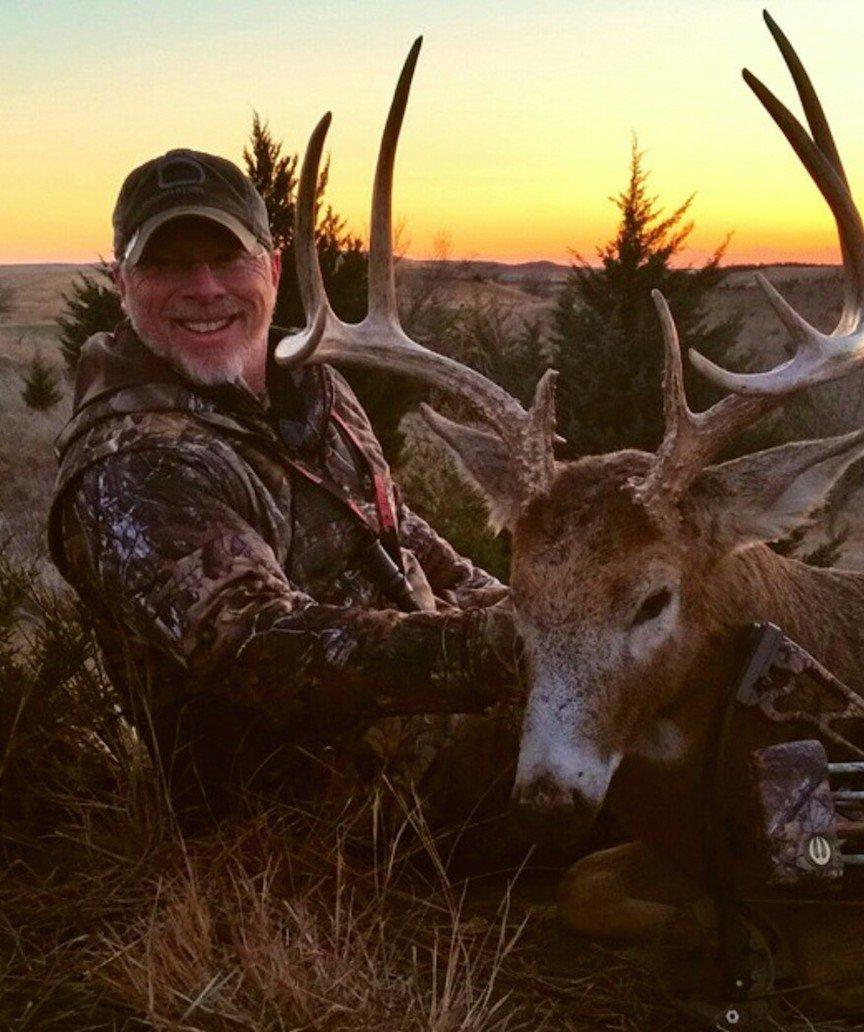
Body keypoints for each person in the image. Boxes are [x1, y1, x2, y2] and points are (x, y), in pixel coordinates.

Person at [47, 148, 522, 823]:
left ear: (271, 268)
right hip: (329, 817)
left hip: (448, 726)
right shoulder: (132, 466)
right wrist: (502, 649)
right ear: (123, 285)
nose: (204, 287)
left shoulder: (314, 385)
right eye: (168, 265)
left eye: (227, 259)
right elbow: (262, 652)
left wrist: (518, 609)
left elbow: (397, 531)